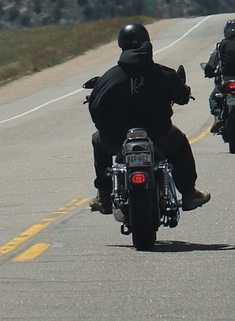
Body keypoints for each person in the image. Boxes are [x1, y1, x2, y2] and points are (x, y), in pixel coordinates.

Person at [86, 22, 209, 214]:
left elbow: (95, 109)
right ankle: (189, 194)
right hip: (160, 136)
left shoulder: (109, 78)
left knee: (97, 140)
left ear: (121, 45)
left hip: (118, 140)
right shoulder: (164, 74)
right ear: (147, 43)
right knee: (180, 143)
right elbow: (182, 98)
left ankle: (104, 196)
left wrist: (108, 130)